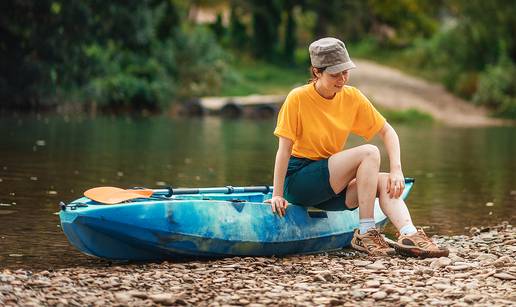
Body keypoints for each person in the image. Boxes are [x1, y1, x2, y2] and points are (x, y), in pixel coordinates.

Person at [267, 37, 448, 258]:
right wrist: (277, 194)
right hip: (299, 182)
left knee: (384, 182)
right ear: (316, 72)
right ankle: (366, 232)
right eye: (335, 74)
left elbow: (388, 132)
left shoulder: (352, 97)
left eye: (345, 72)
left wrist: (396, 170)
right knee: (369, 152)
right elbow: (284, 150)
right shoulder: (298, 98)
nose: (342, 79)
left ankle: (409, 234)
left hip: (332, 187)